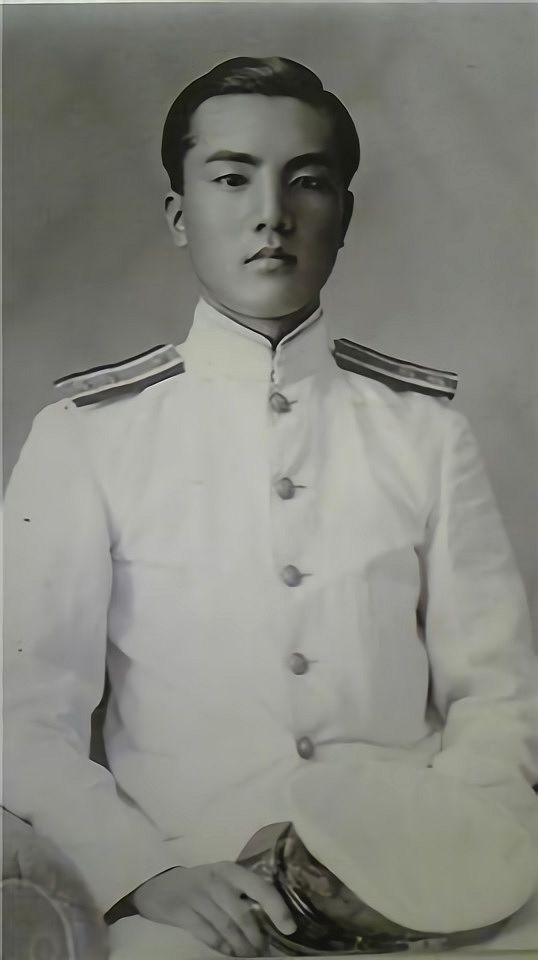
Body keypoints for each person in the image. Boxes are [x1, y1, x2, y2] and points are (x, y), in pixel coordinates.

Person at [4, 56, 538, 958]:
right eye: (231, 178)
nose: (271, 215)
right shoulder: (87, 436)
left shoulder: (425, 433)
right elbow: (21, 714)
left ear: (345, 215)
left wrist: (451, 858)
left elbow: (497, 695)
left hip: (415, 881)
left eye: (308, 181)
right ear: (179, 214)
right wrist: (141, 874)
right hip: (196, 891)